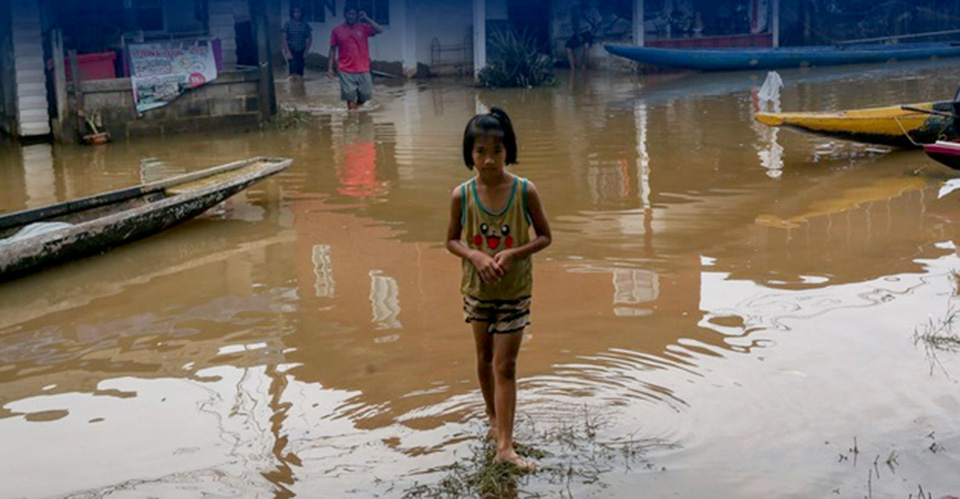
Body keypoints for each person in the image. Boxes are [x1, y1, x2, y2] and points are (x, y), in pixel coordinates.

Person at [446, 108, 552, 471]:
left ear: (509, 152)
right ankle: (493, 418)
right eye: (480, 151)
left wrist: (513, 252)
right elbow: (451, 241)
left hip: (514, 291)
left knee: (505, 365)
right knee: (483, 358)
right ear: (469, 154)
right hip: (477, 290)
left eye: (497, 151)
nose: (488, 160)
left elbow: (544, 237)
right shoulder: (462, 195)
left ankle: (505, 446)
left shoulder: (525, 191)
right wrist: (475, 255)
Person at [328, 3, 383, 111]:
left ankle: (356, 108)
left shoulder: (363, 28)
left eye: (353, 14)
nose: (351, 16)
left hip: (363, 68)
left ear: (357, 15)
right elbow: (332, 49)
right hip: (345, 69)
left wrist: (366, 18)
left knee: (365, 96)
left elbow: (380, 30)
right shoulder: (337, 30)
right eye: (349, 14)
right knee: (350, 98)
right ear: (345, 15)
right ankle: (351, 120)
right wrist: (330, 68)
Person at [565, 1, 602, 70]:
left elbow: (599, 22)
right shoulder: (576, 10)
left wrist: (593, 33)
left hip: (589, 32)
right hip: (578, 32)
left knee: (586, 46)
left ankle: (584, 66)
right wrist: (577, 34)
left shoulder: (593, 10)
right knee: (568, 48)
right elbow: (574, 22)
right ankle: (572, 69)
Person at [282, 7, 312, 81]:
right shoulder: (288, 24)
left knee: (300, 71)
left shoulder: (305, 24)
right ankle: (293, 88)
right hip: (291, 49)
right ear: (292, 13)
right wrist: (287, 51)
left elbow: (309, 38)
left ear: (301, 13)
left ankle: (300, 89)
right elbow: (284, 38)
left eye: (299, 12)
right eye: (295, 12)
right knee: (292, 70)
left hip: (302, 49)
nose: (297, 14)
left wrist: (306, 51)